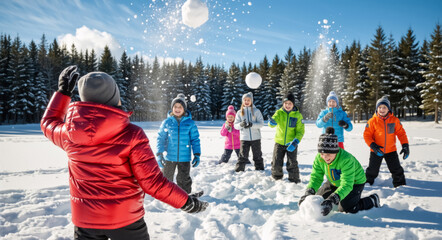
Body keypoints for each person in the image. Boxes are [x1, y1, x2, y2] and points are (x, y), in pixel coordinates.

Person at [41, 66, 208, 240]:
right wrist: (186, 202)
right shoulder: (132, 134)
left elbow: (48, 123)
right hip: (126, 220)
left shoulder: (69, 133)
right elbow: (152, 182)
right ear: (115, 98)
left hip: (85, 221)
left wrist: (63, 93)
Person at [298, 127, 380, 216]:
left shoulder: (346, 160)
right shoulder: (319, 158)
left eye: (328, 154)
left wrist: (333, 198)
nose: (325, 157)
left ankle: (372, 200)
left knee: (346, 208)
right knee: (318, 199)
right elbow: (316, 177)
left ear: (336, 151)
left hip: (354, 183)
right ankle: (339, 196)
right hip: (334, 181)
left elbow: (347, 184)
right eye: (322, 154)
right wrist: (309, 192)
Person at [157, 93, 201, 194]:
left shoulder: (190, 123)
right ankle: (165, 195)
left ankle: (185, 197)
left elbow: (195, 140)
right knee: (166, 179)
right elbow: (161, 138)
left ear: (184, 109)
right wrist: (159, 154)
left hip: (184, 158)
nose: (177, 109)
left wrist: (197, 154)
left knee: (184, 179)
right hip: (169, 157)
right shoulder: (167, 122)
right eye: (175, 107)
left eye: (180, 107)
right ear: (172, 108)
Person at [364, 96, 410, 188]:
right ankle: (366, 184)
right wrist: (373, 145)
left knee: (396, 169)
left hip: (391, 150)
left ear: (388, 109)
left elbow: (401, 133)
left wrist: (405, 145)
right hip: (376, 150)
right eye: (379, 107)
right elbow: (367, 135)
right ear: (377, 108)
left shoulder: (394, 120)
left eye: (384, 107)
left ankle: (400, 185)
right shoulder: (372, 121)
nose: (382, 109)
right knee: (372, 170)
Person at [268, 92, 305, 183]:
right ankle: (277, 177)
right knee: (276, 162)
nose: (288, 105)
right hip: (279, 143)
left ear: (293, 104)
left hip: (291, 143)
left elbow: (300, 131)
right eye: (286, 103)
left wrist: (295, 141)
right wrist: (271, 122)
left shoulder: (297, 115)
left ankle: (294, 179)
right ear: (283, 104)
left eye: (290, 103)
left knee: (292, 163)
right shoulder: (279, 113)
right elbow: (273, 122)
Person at [234, 92, 265, 172]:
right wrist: (241, 124)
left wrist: (252, 125)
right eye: (245, 100)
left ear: (251, 101)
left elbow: (261, 124)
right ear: (242, 101)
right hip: (244, 138)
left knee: (257, 155)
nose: (247, 102)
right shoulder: (239, 112)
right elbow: (235, 125)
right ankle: (239, 170)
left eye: (248, 100)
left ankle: (260, 170)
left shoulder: (256, 111)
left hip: (256, 138)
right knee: (242, 156)